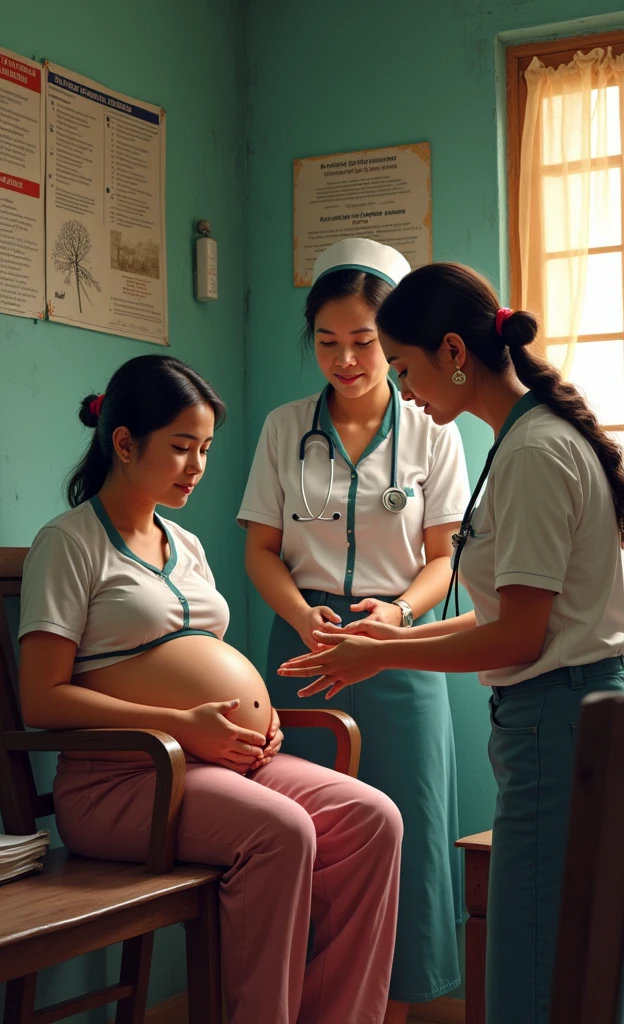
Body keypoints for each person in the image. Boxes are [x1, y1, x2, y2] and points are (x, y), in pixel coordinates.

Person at [277, 263, 624, 1024]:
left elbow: (523, 636)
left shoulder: (532, 452)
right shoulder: (527, 439)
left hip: (554, 724)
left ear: (455, 353)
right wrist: (389, 633)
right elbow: (508, 614)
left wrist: (383, 652)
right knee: (573, 967)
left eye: (403, 367)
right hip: (565, 716)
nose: (402, 389)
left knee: (528, 983)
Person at [18, 353, 403, 1024]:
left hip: (219, 762)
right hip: (124, 779)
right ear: (124, 443)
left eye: (205, 449)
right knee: (281, 833)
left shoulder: (186, 544)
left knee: (374, 820)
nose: (197, 466)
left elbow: (205, 662)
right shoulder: (70, 543)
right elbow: (41, 698)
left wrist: (261, 721)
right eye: (181, 448)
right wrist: (184, 727)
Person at [239, 239, 470, 1024]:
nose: (345, 360)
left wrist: (400, 616)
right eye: (328, 342)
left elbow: (445, 558)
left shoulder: (434, 428)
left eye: (365, 342)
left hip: (399, 658)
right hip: (301, 653)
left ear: (393, 338)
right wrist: (302, 615)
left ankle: (390, 1013)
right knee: (301, 841)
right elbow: (260, 550)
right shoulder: (282, 429)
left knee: (407, 841)